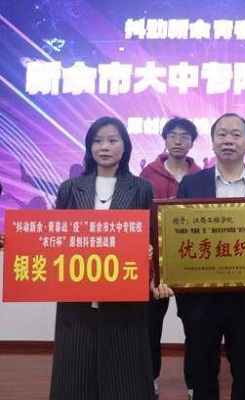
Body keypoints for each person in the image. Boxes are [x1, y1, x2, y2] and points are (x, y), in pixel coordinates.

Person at [49, 116, 173, 400]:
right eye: (97, 141)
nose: (104, 147)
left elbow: (152, 236)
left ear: (124, 146)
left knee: (124, 377)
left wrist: (151, 258)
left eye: (112, 140)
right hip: (77, 297)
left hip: (124, 297)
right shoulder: (70, 188)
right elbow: (54, 236)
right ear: (89, 147)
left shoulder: (141, 188)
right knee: (76, 375)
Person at [175, 113, 245, 400]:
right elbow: (178, 239)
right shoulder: (190, 186)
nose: (228, 140)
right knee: (203, 377)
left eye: (236, 134)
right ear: (212, 142)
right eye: (222, 134)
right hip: (201, 300)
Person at [140, 116, 201, 397]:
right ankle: (150, 377)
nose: (178, 141)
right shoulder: (148, 175)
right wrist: (149, 267)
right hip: (155, 265)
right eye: (173, 135)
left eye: (185, 136)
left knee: (196, 326)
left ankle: (195, 381)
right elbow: (140, 221)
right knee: (151, 326)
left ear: (192, 142)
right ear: (165, 140)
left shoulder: (200, 176)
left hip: (191, 262)